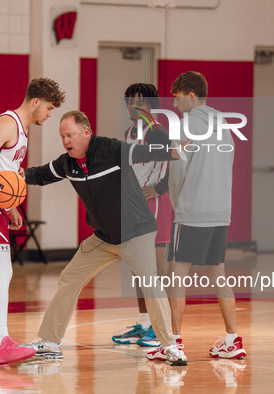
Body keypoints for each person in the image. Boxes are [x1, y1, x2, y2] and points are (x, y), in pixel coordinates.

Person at [19, 110, 188, 366]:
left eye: (70, 135)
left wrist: (172, 152)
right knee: (69, 278)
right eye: (62, 136)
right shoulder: (68, 164)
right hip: (103, 238)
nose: (66, 141)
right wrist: (19, 176)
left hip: (136, 233)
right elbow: (42, 174)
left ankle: (170, 347)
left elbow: (142, 152)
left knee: (151, 285)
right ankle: (49, 341)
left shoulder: (109, 149)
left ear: (86, 132)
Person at [0, 78, 65, 364]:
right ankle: (3, 341)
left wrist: (13, 205)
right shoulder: (7, 123)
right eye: (50, 108)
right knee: (3, 272)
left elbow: (6, 171)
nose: (50, 114)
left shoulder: (23, 131)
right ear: (35, 102)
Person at [147, 71, 247, 361]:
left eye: (177, 97)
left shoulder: (185, 125)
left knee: (177, 276)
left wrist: (180, 206)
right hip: (220, 211)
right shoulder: (223, 123)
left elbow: (177, 171)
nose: (175, 104)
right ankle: (232, 340)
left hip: (193, 212)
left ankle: (172, 344)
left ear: (191, 95)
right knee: (218, 273)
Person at [112, 83, 173, 348]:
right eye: (130, 101)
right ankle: (145, 325)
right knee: (138, 269)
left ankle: (164, 328)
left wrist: (158, 188)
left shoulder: (157, 132)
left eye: (141, 102)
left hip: (154, 206)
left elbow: (176, 159)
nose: (134, 106)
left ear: (153, 106)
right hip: (133, 205)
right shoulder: (128, 132)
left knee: (157, 270)